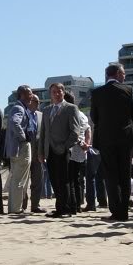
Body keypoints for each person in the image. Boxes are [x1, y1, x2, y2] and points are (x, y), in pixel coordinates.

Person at [91, 63, 133, 222]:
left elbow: (94, 117)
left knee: (111, 175)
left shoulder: (97, 93)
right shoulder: (128, 90)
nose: (124, 76)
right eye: (123, 73)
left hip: (106, 139)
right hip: (125, 138)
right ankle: (123, 212)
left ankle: (115, 210)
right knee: (125, 175)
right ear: (117, 73)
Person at [39, 83, 82, 218]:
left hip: (63, 150)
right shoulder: (46, 110)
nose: (57, 94)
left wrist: (65, 146)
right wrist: (41, 152)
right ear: (50, 94)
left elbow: (75, 131)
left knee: (63, 180)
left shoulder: (71, 108)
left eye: (59, 91)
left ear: (63, 92)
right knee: (53, 180)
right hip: (49, 150)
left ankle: (63, 208)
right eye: (54, 92)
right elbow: (43, 132)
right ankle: (62, 206)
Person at [6, 85, 36, 215]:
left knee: (15, 179)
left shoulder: (18, 107)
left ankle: (13, 208)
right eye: (29, 94)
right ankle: (16, 209)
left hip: (16, 148)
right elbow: (14, 122)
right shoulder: (19, 108)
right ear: (22, 95)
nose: (31, 96)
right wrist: (24, 137)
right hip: (21, 147)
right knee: (20, 179)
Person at [66, 91, 91, 214]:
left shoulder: (70, 113)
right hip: (82, 152)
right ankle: (78, 204)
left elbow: (74, 132)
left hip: (73, 149)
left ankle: (73, 205)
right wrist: (86, 143)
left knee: (70, 179)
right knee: (78, 179)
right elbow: (88, 130)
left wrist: (81, 143)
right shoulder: (82, 114)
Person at [24, 95, 45, 213]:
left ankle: (35, 205)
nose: (38, 103)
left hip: (38, 153)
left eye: (39, 101)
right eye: (35, 101)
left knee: (38, 179)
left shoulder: (41, 115)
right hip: (25, 151)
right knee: (24, 180)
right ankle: (23, 204)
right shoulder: (23, 114)